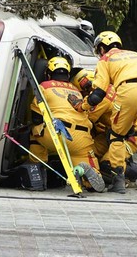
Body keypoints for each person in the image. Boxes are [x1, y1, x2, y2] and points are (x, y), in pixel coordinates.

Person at [68, 31, 137, 201]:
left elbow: (98, 94)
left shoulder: (105, 59)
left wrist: (82, 106)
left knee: (116, 136)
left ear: (101, 48)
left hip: (128, 90)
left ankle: (118, 182)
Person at [29, 56, 105, 193]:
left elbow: (36, 117)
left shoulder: (44, 87)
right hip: (82, 138)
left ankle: (38, 170)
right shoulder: (77, 91)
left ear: (48, 73)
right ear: (68, 75)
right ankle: (84, 171)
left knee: (35, 132)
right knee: (90, 170)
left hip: (58, 133)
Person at [71, 68, 137, 188]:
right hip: (113, 134)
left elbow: (86, 118)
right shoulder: (109, 89)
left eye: (82, 92)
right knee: (88, 152)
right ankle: (124, 175)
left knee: (108, 164)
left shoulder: (99, 99)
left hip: (132, 135)